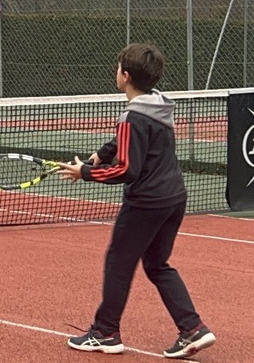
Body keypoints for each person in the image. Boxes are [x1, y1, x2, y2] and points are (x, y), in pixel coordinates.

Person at [58, 43, 215, 359]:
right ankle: (192, 328)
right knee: (157, 264)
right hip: (174, 198)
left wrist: (85, 172)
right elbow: (130, 141)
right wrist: (102, 153)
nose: (115, 72)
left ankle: (105, 332)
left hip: (146, 203)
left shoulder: (131, 117)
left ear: (126, 76)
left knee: (119, 263)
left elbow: (127, 169)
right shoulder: (157, 104)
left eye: (118, 67)